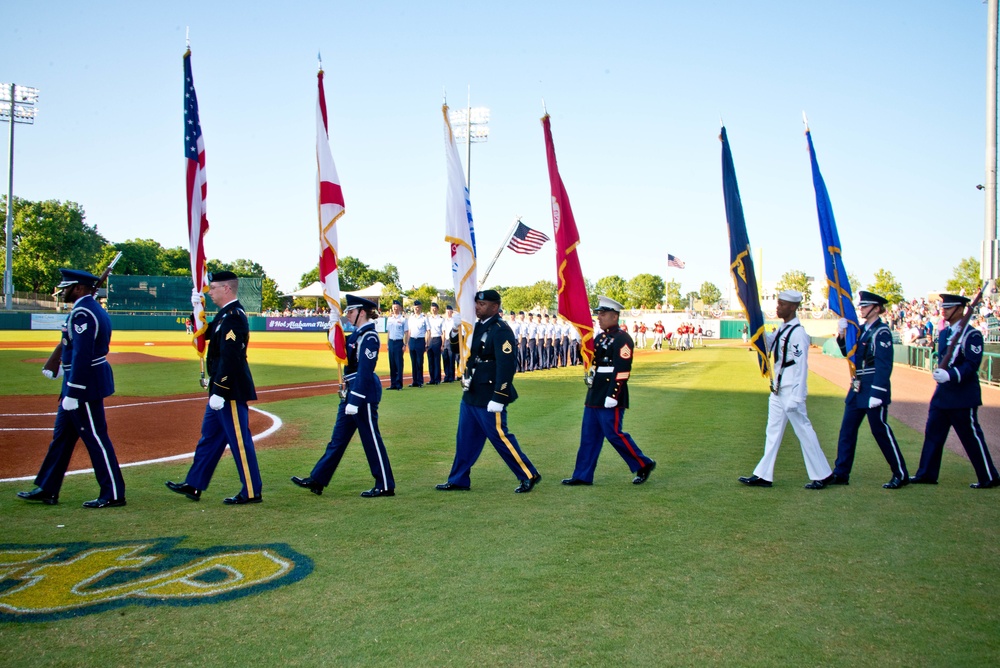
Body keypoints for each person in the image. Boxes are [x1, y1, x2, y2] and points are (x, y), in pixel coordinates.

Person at [18, 268, 126, 509]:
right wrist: (59, 368)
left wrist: (74, 390)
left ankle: (114, 493)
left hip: (83, 386)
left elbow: (83, 354)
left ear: (78, 288)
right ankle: (48, 487)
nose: (62, 291)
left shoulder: (84, 312)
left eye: (66, 287)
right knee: (62, 438)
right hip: (78, 383)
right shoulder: (86, 309)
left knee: (96, 438)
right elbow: (70, 346)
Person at [166, 271, 263, 504]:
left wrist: (219, 389)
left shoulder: (234, 316)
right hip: (220, 390)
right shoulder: (224, 315)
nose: (210, 292)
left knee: (239, 440)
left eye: (212, 288)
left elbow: (231, 358)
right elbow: (205, 333)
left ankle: (251, 490)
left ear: (226, 289)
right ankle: (195, 483)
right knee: (209, 437)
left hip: (228, 389)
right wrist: (195, 308)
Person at [436, 290, 541, 493]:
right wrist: (456, 330)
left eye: (482, 304)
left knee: (499, 437)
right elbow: (459, 350)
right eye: (476, 303)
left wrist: (499, 397)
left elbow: (506, 365)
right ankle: (458, 479)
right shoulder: (476, 326)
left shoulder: (501, 329)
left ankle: (529, 474)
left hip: (489, 394)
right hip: (472, 390)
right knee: (465, 439)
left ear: (495, 307)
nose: (477, 307)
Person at [291, 295, 395, 497]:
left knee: (371, 439)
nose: (347, 315)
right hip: (351, 392)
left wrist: (355, 399)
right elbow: (342, 351)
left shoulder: (369, 337)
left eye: (350, 311)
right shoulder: (357, 335)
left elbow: (365, 370)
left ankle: (385, 485)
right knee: (338, 439)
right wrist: (332, 326)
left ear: (361, 312)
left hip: (362, 393)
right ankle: (318, 478)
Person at [739, 290, 833, 489]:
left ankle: (823, 474)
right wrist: (757, 327)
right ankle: (763, 474)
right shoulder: (783, 328)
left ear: (793, 307)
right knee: (772, 431)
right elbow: (769, 344)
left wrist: (798, 397)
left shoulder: (798, 333)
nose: (778, 307)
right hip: (777, 389)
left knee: (804, 431)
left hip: (791, 390)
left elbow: (801, 367)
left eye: (782, 304)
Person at [562, 296, 657, 486]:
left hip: (611, 393)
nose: (599, 317)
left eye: (603, 314)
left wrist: (613, 395)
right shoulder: (600, 337)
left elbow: (622, 370)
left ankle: (643, 463)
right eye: (599, 314)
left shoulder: (623, 338)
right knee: (589, 435)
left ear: (615, 316)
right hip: (596, 391)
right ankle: (582, 475)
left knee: (613, 433)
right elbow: (593, 361)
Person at [911, 294, 1000, 488]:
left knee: (971, 438)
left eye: (949, 307)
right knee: (933, 434)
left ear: (960, 309)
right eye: (943, 306)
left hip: (962, 396)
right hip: (942, 394)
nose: (944, 310)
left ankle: (989, 476)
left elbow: (971, 365)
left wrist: (951, 375)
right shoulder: (944, 334)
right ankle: (926, 473)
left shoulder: (972, 335)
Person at [825, 291, 909, 488]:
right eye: (861, 305)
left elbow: (884, 365)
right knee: (847, 430)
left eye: (866, 306)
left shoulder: (882, 332)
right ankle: (841, 472)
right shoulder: (861, 330)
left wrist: (878, 392)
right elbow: (849, 353)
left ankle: (900, 473)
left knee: (880, 431)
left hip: (872, 387)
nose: (861, 308)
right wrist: (842, 335)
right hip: (857, 385)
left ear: (877, 308)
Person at [405, 300, 428, 387]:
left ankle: (420, 381)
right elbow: (409, 331)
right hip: (412, 340)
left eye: (418, 307)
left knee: (419, 362)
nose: (416, 309)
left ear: (420, 308)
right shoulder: (411, 318)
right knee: (413, 362)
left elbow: (427, 331)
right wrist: (407, 342)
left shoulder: (424, 318)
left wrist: (426, 343)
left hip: (420, 340)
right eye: (415, 308)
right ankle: (414, 381)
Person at [386, 299, 407, 390]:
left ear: (399, 308)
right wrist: (387, 344)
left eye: (396, 306)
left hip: (399, 342)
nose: (395, 308)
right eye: (393, 307)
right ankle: (393, 383)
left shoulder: (402, 319)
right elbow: (388, 332)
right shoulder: (390, 319)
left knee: (399, 364)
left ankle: (399, 384)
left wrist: (405, 344)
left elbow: (406, 332)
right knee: (392, 364)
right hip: (391, 342)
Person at [426, 302, 444, 385]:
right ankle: (432, 378)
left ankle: (437, 379)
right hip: (430, 339)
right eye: (432, 308)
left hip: (437, 339)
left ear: (437, 309)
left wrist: (443, 343)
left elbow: (443, 332)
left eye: (435, 308)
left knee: (436, 360)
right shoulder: (428, 319)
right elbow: (426, 331)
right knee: (430, 360)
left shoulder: (440, 319)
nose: (433, 310)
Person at [442, 304, 458, 383]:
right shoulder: (444, 320)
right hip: (446, 340)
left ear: (452, 312)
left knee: (451, 359)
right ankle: (446, 376)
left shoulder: (454, 320)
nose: (448, 312)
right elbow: (444, 332)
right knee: (445, 359)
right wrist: (443, 343)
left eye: (449, 311)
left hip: (452, 340)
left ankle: (451, 376)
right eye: (447, 311)